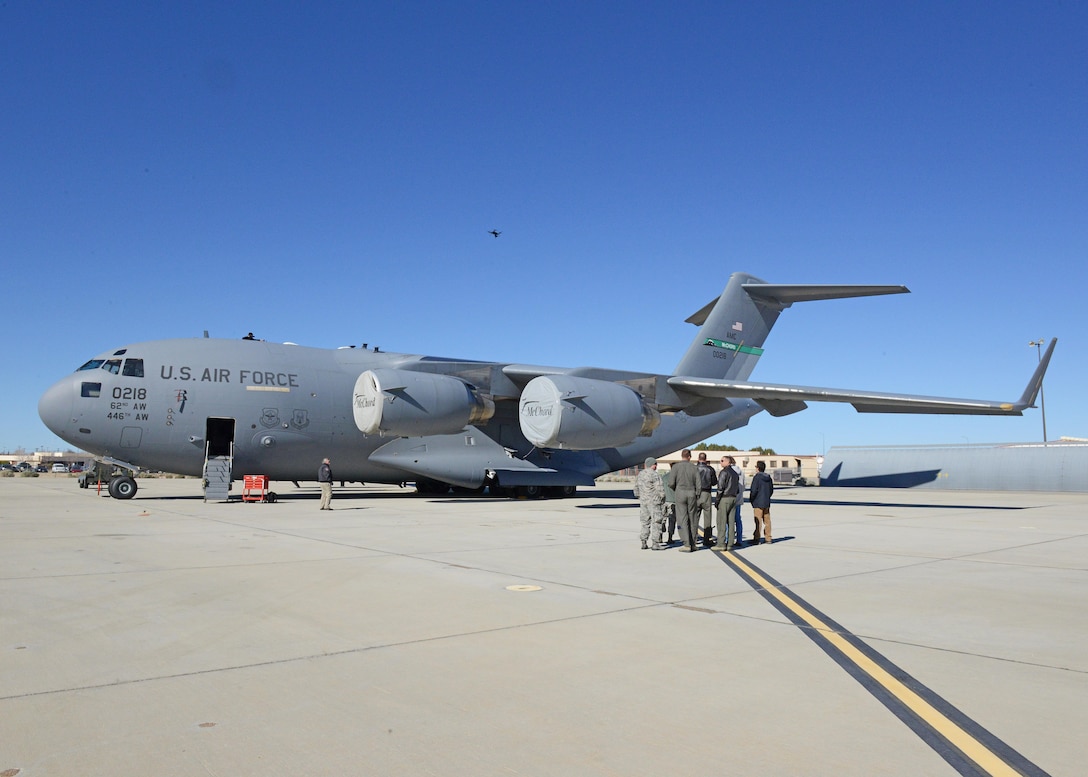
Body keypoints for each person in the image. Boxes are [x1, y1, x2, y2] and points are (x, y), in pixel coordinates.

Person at [667, 449, 701, 552]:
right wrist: (697, 494)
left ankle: (686, 544)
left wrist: (676, 489)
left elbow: (671, 482)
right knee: (693, 518)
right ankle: (693, 543)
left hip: (680, 493)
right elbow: (699, 483)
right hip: (692, 493)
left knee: (682, 518)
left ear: (681, 456)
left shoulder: (676, 467)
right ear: (689, 457)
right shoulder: (694, 467)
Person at [633, 457, 666, 550]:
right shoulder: (654, 475)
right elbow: (660, 489)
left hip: (644, 502)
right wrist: (662, 499)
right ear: (653, 464)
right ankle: (655, 543)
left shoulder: (640, 474)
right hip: (654, 502)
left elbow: (636, 489)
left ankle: (644, 541)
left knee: (645, 522)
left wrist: (641, 497)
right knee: (657, 521)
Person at [714, 456, 740, 550]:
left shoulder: (724, 472)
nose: (720, 462)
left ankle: (721, 543)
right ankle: (730, 543)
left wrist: (717, 501)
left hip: (724, 498)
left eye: (722, 461)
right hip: (733, 498)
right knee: (731, 522)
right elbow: (737, 489)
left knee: (721, 521)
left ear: (728, 462)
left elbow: (720, 487)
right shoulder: (735, 474)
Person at [749, 460, 774, 544]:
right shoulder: (768, 477)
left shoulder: (757, 477)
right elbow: (771, 490)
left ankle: (757, 538)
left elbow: (753, 490)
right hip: (766, 502)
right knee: (767, 521)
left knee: (758, 521)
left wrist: (752, 499)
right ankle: (768, 537)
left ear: (758, 468)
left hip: (758, 502)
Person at [695, 452, 717, 547]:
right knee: (707, 517)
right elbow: (714, 482)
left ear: (698, 459)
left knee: (694, 517)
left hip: (696, 494)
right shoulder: (710, 469)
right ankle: (706, 538)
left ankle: (693, 537)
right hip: (706, 493)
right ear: (705, 459)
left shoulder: (694, 468)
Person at [659, 467, 677, 544]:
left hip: (664, 501)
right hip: (673, 501)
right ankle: (670, 537)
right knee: (672, 521)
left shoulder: (664, 477)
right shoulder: (677, 477)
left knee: (662, 519)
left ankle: (660, 536)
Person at [733, 459, 746, 546]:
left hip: (731, 498)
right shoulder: (741, 472)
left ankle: (727, 539)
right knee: (738, 520)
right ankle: (739, 539)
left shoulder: (729, 472)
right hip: (739, 498)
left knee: (728, 521)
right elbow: (744, 486)